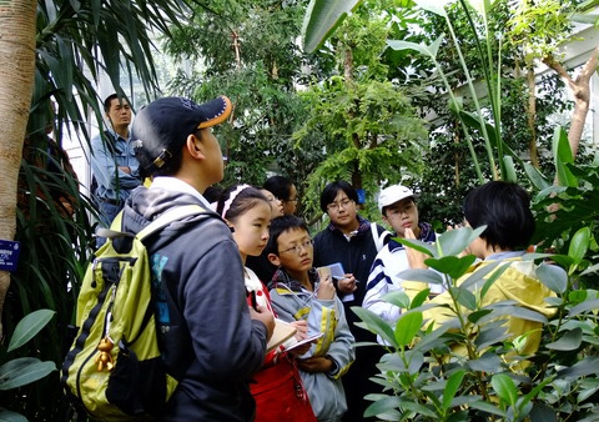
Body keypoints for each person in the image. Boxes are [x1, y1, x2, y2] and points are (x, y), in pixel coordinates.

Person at [127, 95, 275, 421]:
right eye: (212, 133)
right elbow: (229, 357)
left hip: (148, 398)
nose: (217, 143)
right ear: (194, 146)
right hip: (204, 410)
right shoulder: (207, 236)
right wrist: (261, 328)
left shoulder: (132, 215)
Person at [410, 181, 558, 360]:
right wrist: (467, 270)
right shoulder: (535, 274)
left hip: (471, 386)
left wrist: (416, 274)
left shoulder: (480, 287)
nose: (463, 231)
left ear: (481, 228)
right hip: (511, 384)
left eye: (466, 224)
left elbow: (416, 332)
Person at [217, 184, 316, 422]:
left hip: (282, 390)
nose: (265, 235)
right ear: (229, 223)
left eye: (268, 226)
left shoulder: (251, 277)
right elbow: (231, 348)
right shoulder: (223, 280)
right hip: (258, 396)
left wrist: (290, 336)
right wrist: (280, 341)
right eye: (257, 225)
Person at [312, 180, 390, 422]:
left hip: (376, 332)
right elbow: (314, 284)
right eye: (333, 205)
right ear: (326, 211)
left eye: (346, 202)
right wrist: (336, 286)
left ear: (356, 203)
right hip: (341, 335)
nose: (341, 209)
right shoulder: (319, 243)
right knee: (349, 399)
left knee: (380, 393)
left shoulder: (378, 236)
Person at [267, 215, 355, 422]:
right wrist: (324, 304)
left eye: (306, 242)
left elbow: (347, 340)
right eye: (293, 247)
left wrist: (330, 362)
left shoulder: (322, 285)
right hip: (306, 408)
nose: (304, 251)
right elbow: (307, 352)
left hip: (336, 404)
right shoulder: (276, 298)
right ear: (275, 259)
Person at [364, 184, 442, 324]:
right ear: (385, 220)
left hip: (448, 331)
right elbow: (370, 306)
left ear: (416, 207)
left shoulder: (443, 243)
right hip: (408, 338)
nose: (405, 215)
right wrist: (401, 311)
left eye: (408, 207)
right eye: (396, 212)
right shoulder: (385, 257)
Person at [90, 93, 141, 227]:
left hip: (139, 206)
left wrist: (126, 170)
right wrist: (139, 176)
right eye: (118, 108)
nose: (124, 112)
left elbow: (150, 170)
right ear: (107, 115)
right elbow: (111, 178)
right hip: (111, 208)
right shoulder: (100, 142)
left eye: (127, 107)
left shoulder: (139, 140)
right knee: (108, 245)